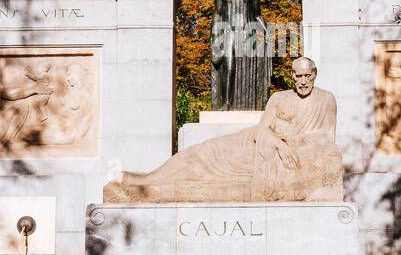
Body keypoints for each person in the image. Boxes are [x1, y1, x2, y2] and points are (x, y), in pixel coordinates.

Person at [105, 57, 342, 202]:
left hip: (267, 162)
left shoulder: (326, 100)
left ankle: (142, 185)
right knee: (200, 155)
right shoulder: (279, 98)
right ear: (292, 75)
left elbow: (328, 143)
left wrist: (294, 149)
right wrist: (281, 145)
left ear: (315, 74)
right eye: (298, 75)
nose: (302, 81)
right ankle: (141, 179)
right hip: (251, 144)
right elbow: (262, 130)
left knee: (202, 178)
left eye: (307, 76)